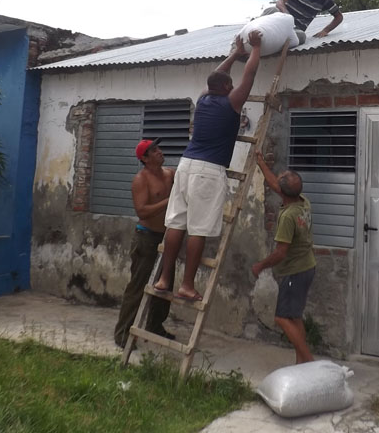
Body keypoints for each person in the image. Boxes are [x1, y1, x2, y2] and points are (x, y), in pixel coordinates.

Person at [154, 30, 263, 302]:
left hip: (185, 165)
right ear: (227, 87)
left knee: (177, 224)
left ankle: (165, 278)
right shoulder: (232, 103)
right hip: (208, 170)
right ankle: (187, 284)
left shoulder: (202, 98)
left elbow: (215, 74)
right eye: (230, 84)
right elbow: (249, 76)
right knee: (199, 229)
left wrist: (236, 53)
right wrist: (256, 49)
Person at [251, 152, 316, 364]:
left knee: (281, 317)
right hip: (307, 267)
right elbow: (276, 184)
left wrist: (260, 265)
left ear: (284, 192)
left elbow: (281, 252)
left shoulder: (288, 216)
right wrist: (261, 163)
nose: (279, 175)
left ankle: (308, 361)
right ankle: (301, 362)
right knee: (294, 317)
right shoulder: (302, 202)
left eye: (282, 175)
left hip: (294, 272)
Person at [113, 138, 175, 347]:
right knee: (138, 286)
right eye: (153, 150)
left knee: (164, 286)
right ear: (145, 158)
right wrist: (168, 201)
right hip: (146, 237)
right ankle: (122, 334)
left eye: (159, 148)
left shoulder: (170, 174)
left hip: (167, 238)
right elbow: (141, 211)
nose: (159, 152)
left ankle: (155, 326)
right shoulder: (141, 179)